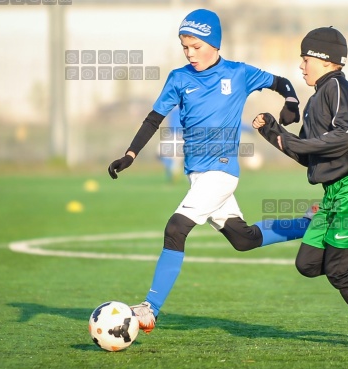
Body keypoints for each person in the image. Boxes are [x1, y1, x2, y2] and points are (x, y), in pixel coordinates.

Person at [107, 9, 313, 334]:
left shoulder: (238, 73)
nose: (190, 53)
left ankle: (150, 307)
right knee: (243, 239)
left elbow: (281, 82)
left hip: (222, 171)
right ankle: (309, 224)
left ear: (214, 43)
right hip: (198, 175)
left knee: (175, 228)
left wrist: (291, 101)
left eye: (196, 46)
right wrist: (130, 154)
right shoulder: (178, 78)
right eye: (184, 47)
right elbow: (153, 119)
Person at [252, 27, 348, 349]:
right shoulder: (315, 100)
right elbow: (309, 155)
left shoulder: (338, 86)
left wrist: (296, 139)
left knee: (338, 269)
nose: (301, 65)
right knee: (308, 264)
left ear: (325, 60)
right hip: (334, 194)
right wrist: (272, 131)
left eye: (305, 58)